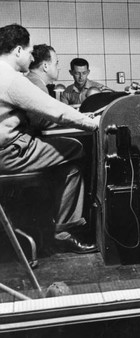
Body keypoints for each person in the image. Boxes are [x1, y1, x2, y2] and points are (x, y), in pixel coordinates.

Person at [0, 23, 99, 254]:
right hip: (9, 153)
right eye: (29, 51)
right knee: (75, 148)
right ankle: (65, 231)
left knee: (68, 167)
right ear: (17, 51)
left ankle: (58, 224)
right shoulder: (12, 79)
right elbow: (55, 110)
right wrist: (93, 123)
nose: (32, 56)